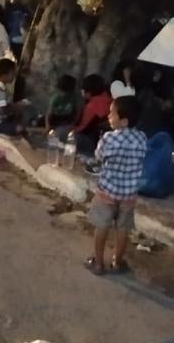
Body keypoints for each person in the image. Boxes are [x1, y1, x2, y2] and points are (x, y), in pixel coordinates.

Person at [84, 95, 148, 275]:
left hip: (107, 191)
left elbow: (98, 157)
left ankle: (98, 263)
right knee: (123, 229)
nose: (108, 116)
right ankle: (117, 262)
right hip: (128, 195)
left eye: (112, 113)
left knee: (102, 226)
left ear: (124, 121)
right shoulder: (142, 138)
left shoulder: (108, 138)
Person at [62, 74, 111, 153]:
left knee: (60, 132)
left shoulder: (92, 106)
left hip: (93, 141)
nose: (81, 91)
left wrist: (72, 128)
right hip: (104, 139)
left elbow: (83, 128)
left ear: (89, 92)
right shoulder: (108, 98)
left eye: (83, 90)